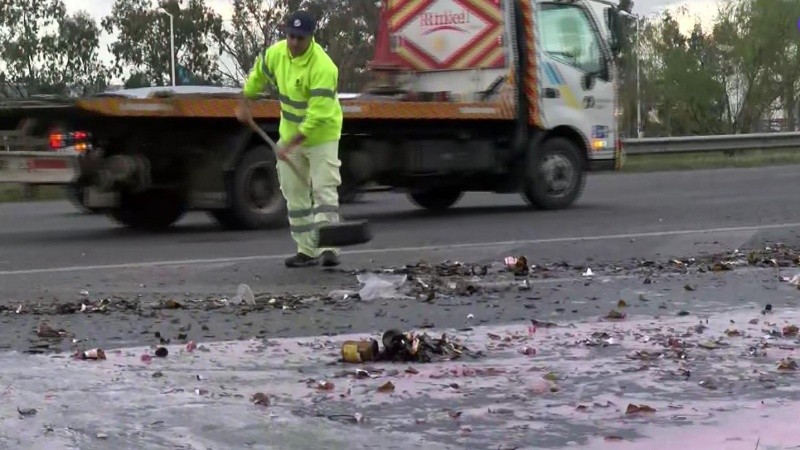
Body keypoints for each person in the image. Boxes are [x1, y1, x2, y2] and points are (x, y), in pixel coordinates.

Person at [236, 10, 344, 268]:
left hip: (321, 136)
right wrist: (245, 102)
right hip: (290, 134)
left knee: (323, 190)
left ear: (311, 37)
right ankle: (306, 250)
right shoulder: (276, 54)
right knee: (294, 193)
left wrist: (291, 145)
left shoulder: (324, 67)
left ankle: (329, 248)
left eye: (300, 38)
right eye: (291, 36)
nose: (294, 42)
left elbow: (316, 116)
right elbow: (258, 75)